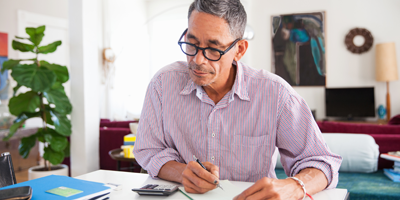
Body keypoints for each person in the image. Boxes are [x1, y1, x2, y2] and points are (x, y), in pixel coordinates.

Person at [133, 0, 342, 199]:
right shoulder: (162, 83)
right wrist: (181, 172)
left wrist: (296, 186)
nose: (197, 60)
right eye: (192, 43)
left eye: (213, 49)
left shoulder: (276, 94)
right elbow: (148, 150)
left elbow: (322, 162)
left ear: (239, 50)